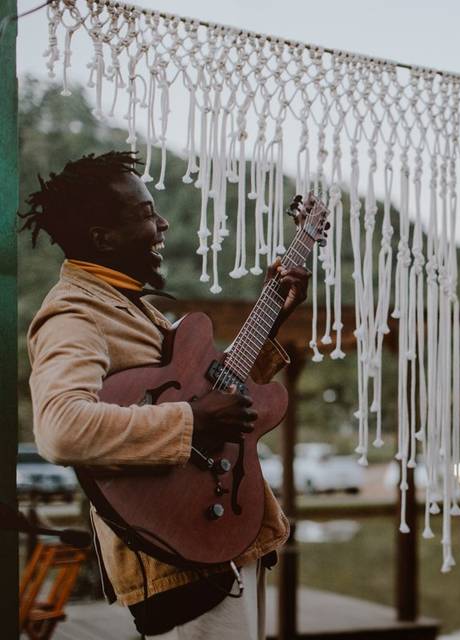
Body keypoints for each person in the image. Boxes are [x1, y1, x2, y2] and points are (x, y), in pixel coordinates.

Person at [23, 151, 310, 640]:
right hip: (176, 559)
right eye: (143, 214)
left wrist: (274, 317)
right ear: (102, 238)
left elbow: (217, 394)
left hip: (218, 541)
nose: (162, 223)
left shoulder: (127, 305)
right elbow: (61, 429)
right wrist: (192, 422)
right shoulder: (75, 314)